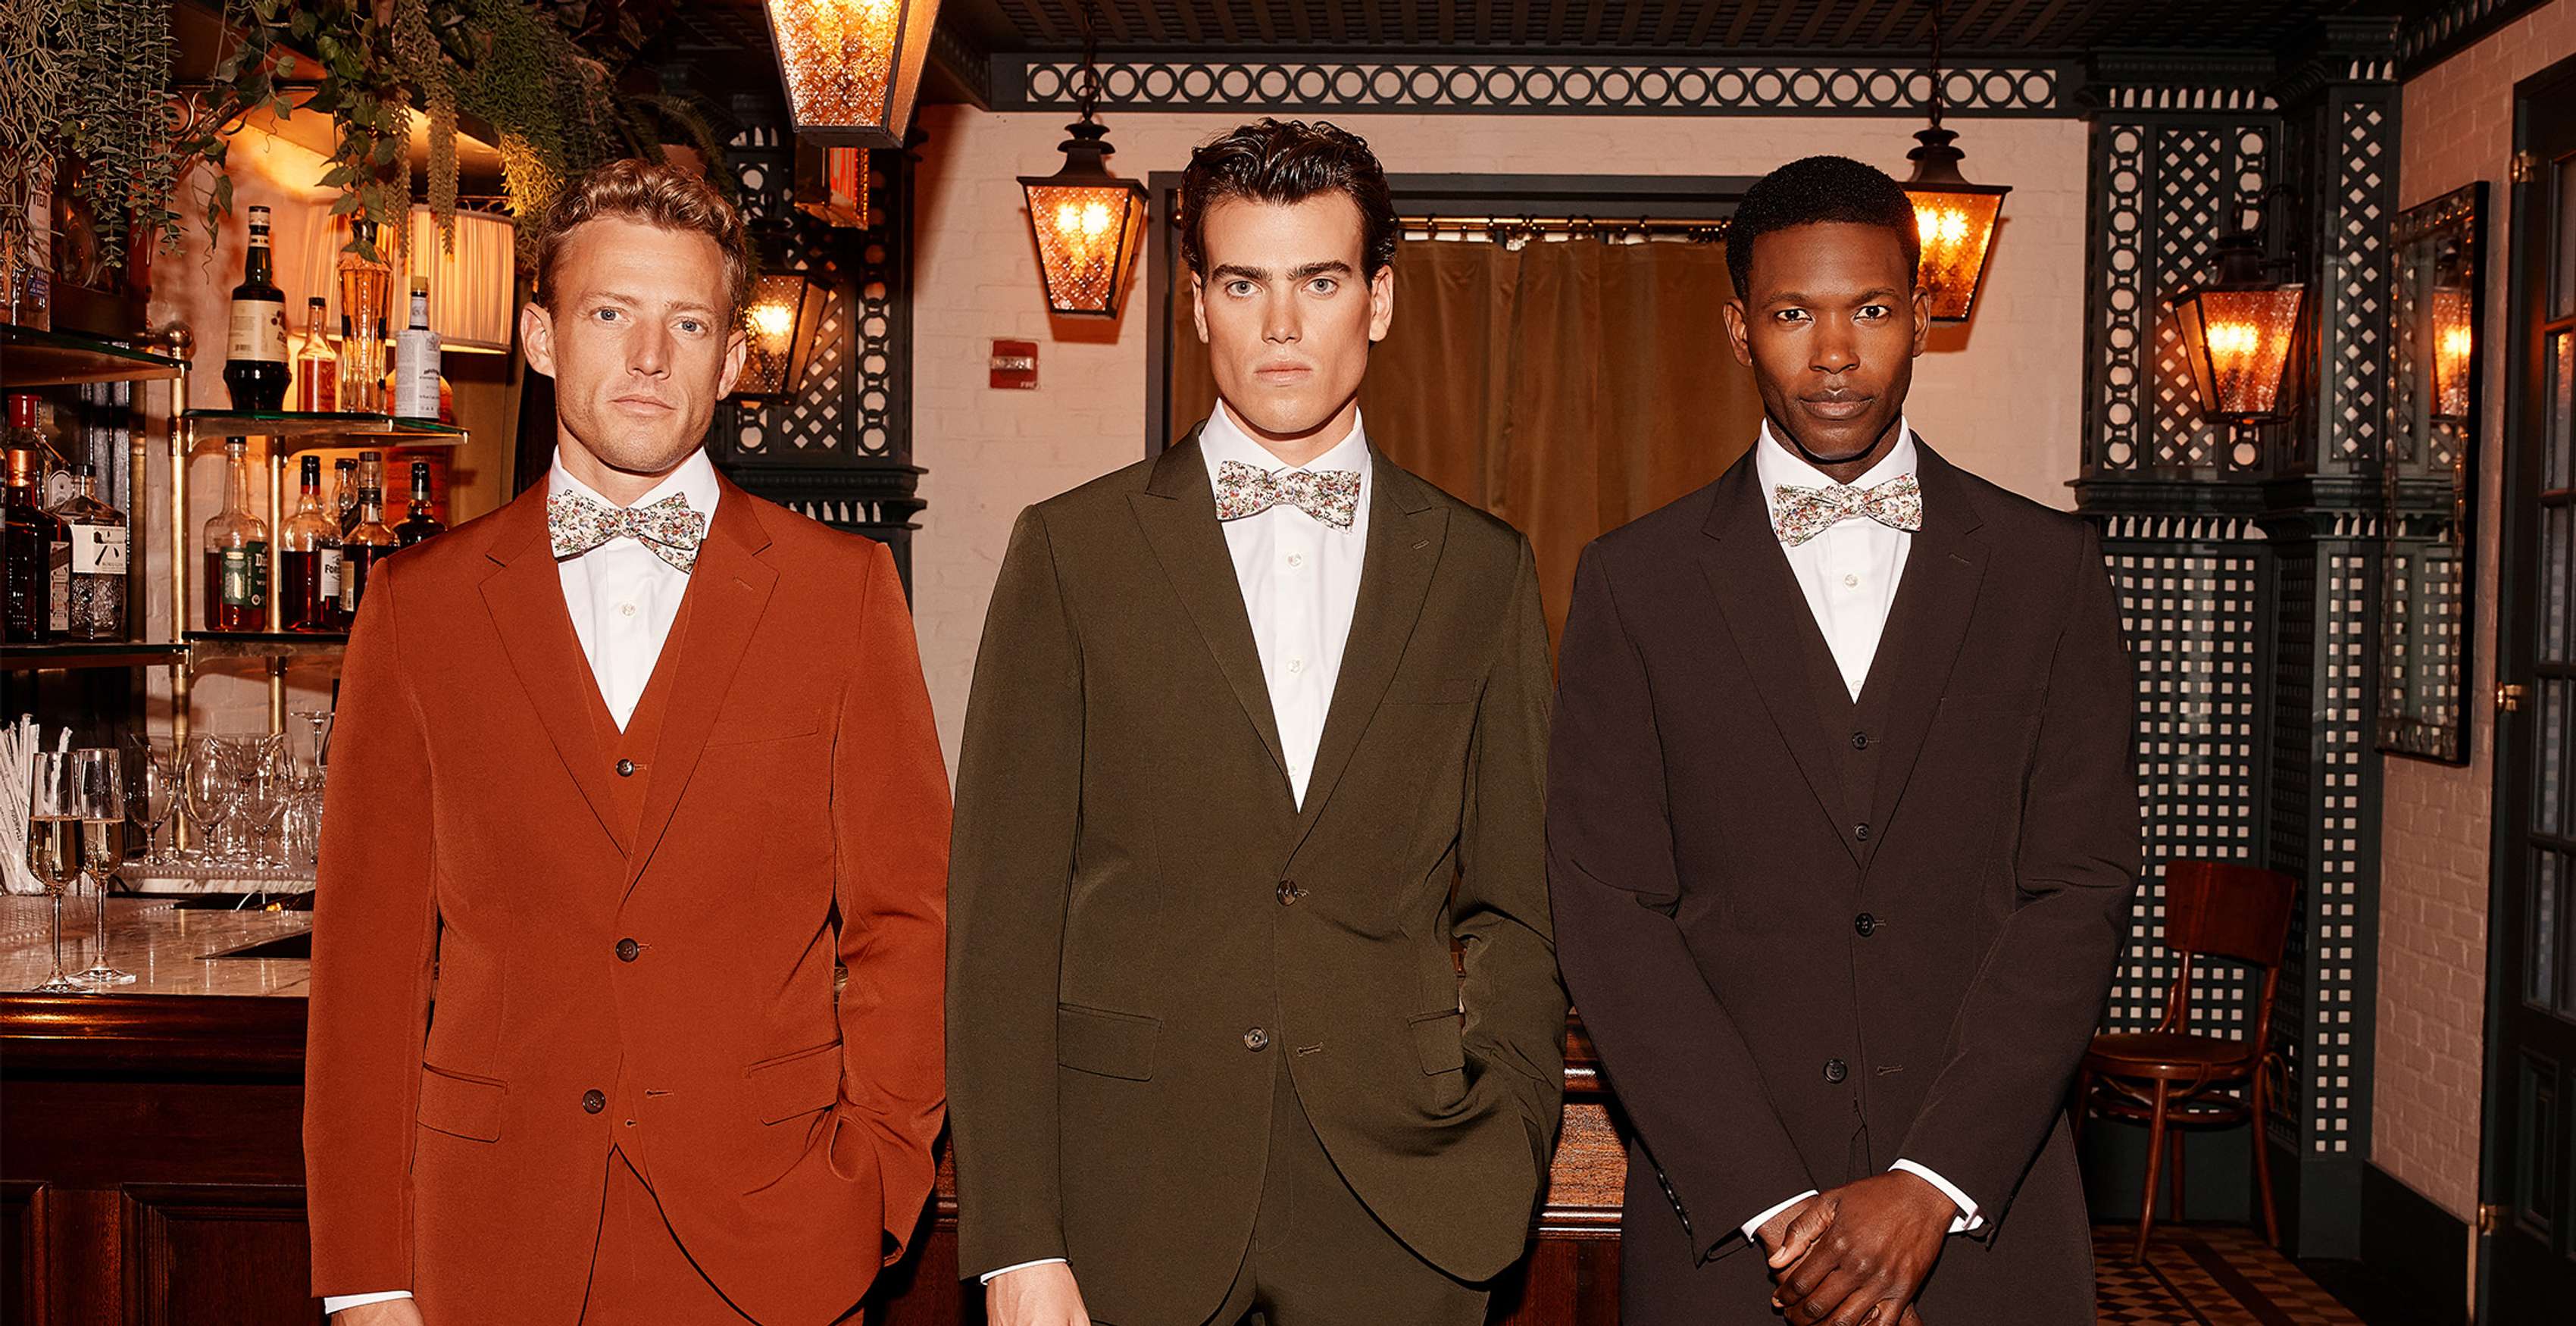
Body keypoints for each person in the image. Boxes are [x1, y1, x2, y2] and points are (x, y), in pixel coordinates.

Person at [303, 159, 950, 1324]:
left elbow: (909, 921)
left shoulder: (843, 593)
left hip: (777, 1251)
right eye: (611, 313)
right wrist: (365, 1274)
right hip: (489, 1254)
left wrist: (875, 1183)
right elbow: (368, 971)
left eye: (687, 323)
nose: (650, 355)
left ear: (732, 360)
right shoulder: (418, 608)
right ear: (541, 337)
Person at [947, 118, 1567, 1326]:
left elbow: (1521, 904)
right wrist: (1015, 1235)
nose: (1282, 325)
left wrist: (1507, 1135)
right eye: (1244, 283)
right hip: (1127, 1205)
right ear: (1197, 304)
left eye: (1319, 282)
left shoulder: (1481, 569)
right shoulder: (1072, 551)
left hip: (1409, 1206)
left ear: (1379, 300)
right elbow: (999, 924)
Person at [1546, 154, 2139, 1326]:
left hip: (1986, 1222)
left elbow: (2078, 889)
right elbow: (1608, 911)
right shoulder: (1634, 583)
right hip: (1727, 1232)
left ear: (1920, 315)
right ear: (1738, 329)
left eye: (1869, 310)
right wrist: (1774, 1204)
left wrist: (1931, 1183)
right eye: (1791, 314)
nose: (1833, 353)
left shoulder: (2049, 570)